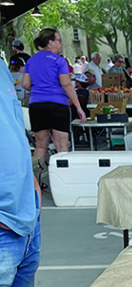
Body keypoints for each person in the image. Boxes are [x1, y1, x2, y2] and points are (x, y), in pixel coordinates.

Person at [0, 52, 41, 287]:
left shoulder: (1, 66)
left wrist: (32, 182)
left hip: (25, 212)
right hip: (4, 219)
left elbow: (12, 127)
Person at [21, 28, 86, 181]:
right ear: (50, 42)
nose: (61, 44)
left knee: (40, 146)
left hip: (37, 105)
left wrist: (38, 90)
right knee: (61, 146)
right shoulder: (59, 61)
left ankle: (35, 183)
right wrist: (78, 106)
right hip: (57, 104)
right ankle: (65, 181)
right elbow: (66, 84)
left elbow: (25, 84)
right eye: (59, 40)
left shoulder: (32, 60)